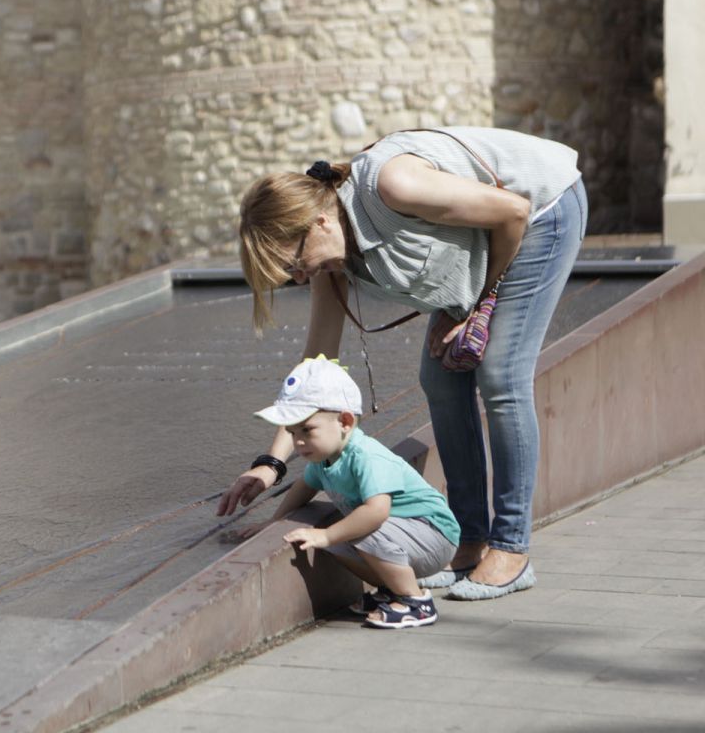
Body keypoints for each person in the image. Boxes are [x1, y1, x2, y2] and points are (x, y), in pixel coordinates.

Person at [217, 127, 587, 600]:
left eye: (294, 264)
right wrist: (270, 464)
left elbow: (513, 212)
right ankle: (469, 540)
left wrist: (477, 309)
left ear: (320, 224)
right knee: (439, 377)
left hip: (542, 212)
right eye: (291, 276)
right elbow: (316, 368)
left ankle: (512, 549)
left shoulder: (393, 187)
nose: (300, 276)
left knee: (500, 374)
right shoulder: (330, 262)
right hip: (485, 239)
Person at [245, 355, 459, 628]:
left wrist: (325, 534)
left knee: (360, 527)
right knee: (339, 538)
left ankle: (415, 602)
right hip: (404, 534)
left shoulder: (365, 456)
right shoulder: (324, 458)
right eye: (292, 431)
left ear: (345, 422)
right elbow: (305, 487)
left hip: (435, 535)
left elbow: (377, 511)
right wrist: (273, 523)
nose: (298, 441)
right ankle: (390, 590)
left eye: (307, 430)